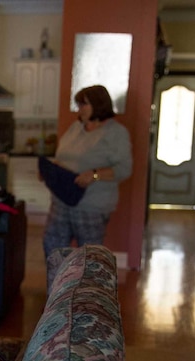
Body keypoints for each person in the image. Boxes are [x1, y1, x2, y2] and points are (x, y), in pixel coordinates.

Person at [42, 84, 132, 286]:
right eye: (79, 104)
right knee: (53, 250)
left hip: (91, 207)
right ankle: (56, 301)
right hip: (61, 201)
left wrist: (94, 175)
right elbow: (63, 156)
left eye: (84, 104)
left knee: (88, 259)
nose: (79, 108)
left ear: (99, 105)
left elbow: (125, 169)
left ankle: (86, 305)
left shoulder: (116, 133)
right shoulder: (76, 128)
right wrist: (52, 170)